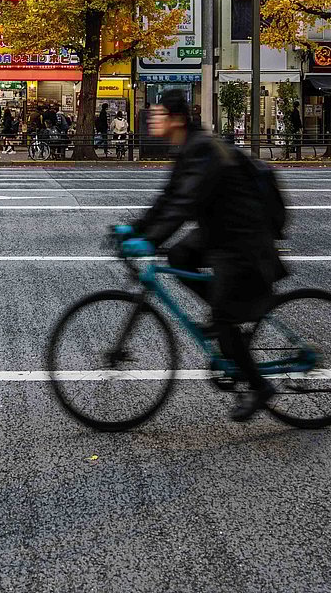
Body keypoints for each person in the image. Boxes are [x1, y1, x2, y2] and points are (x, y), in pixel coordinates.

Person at [117, 87, 286, 422]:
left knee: (225, 318)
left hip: (243, 238)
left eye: (159, 113)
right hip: (219, 232)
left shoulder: (202, 150)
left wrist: (149, 240)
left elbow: (185, 203)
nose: (153, 119)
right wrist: (136, 230)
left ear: (176, 119)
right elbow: (168, 198)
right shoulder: (189, 148)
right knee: (180, 256)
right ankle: (221, 314)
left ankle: (258, 385)